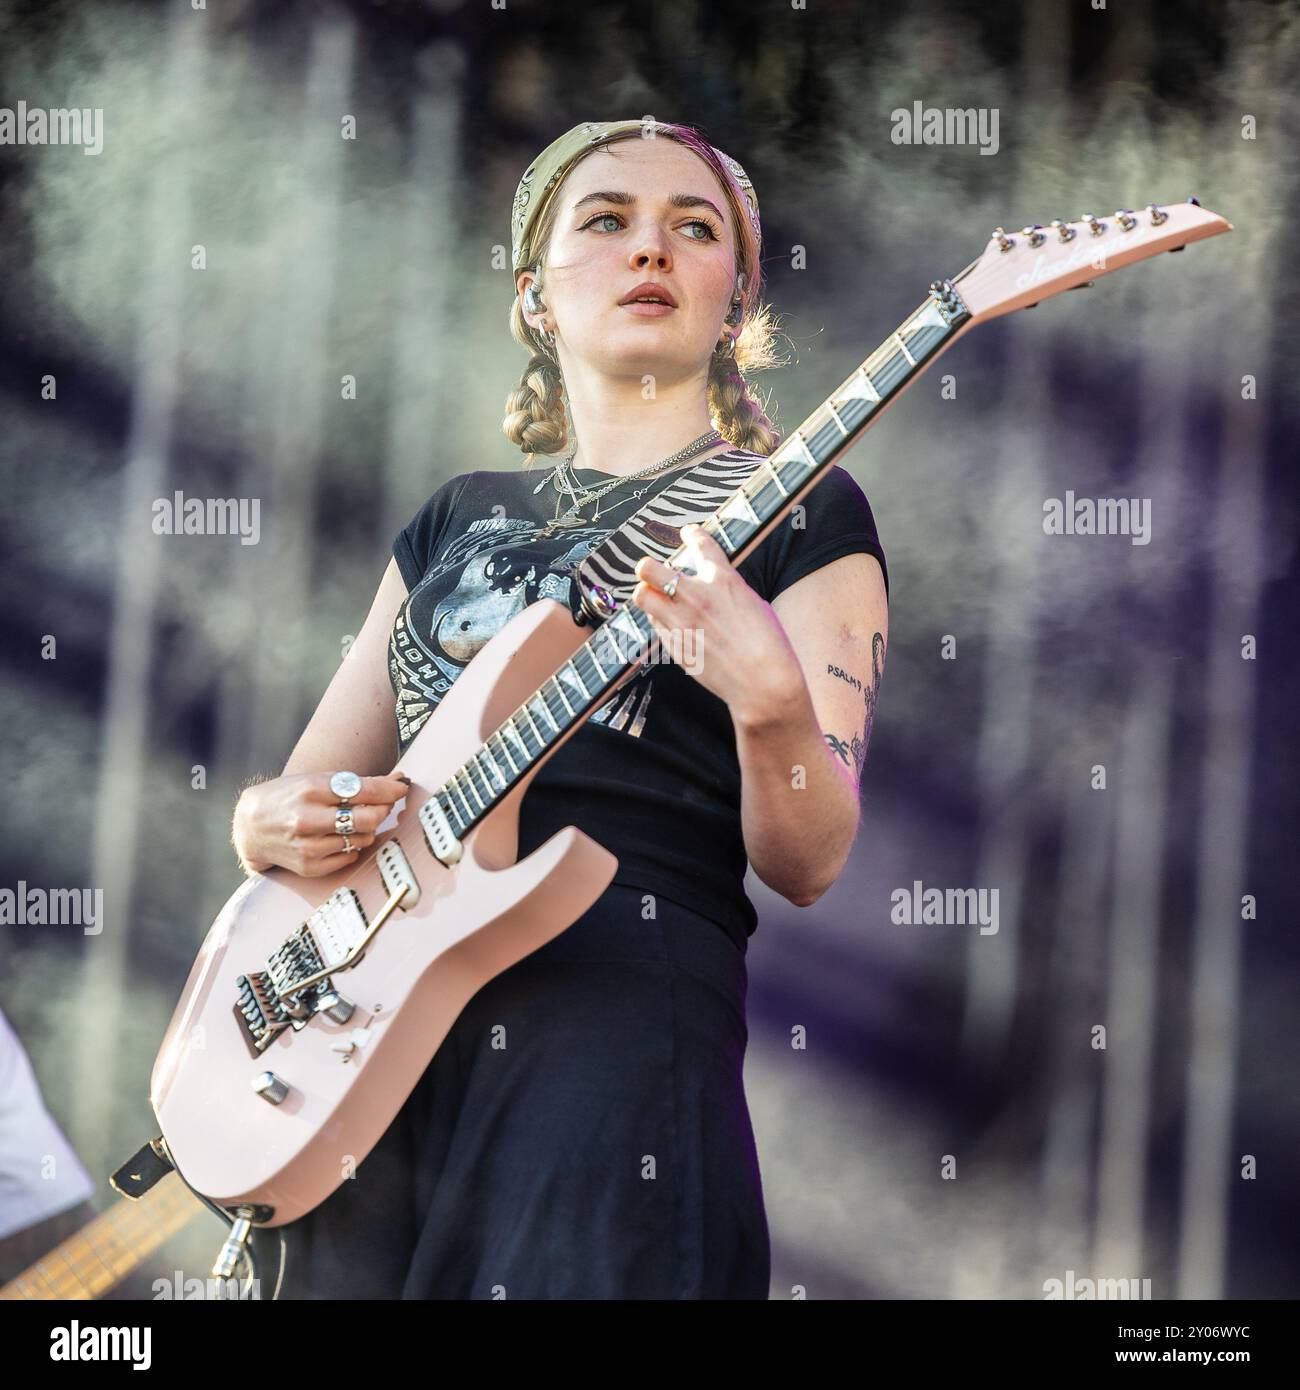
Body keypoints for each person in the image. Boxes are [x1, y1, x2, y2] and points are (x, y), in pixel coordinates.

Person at [233, 119, 889, 1300]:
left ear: (734, 303)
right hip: (366, 1024)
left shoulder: (803, 510)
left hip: (612, 1024)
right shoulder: (456, 515)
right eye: (608, 221)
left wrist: (773, 702)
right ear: (533, 297)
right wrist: (263, 824)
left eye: (694, 231)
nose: (652, 248)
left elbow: (809, 859)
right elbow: (310, 794)